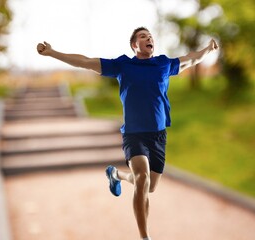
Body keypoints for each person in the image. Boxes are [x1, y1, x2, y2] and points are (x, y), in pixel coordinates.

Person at [37, 26, 219, 240]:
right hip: (134, 134)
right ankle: (144, 236)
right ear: (134, 45)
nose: (148, 38)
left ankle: (117, 175)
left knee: (149, 186)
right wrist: (52, 52)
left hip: (158, 136)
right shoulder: (123, 65)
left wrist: (208, 49)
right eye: (143, 36)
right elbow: (85, 61)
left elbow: (190, 59)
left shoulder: (163, 64)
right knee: (142, 178)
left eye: (150, 36)